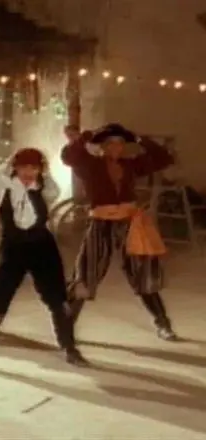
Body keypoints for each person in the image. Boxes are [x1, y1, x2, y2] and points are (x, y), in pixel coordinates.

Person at [0, 149, 88, 370]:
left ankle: (69, 348)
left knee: (58, 300)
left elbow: (52, 187)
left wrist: (43, 171)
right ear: (15, 167)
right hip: (13, 247)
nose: (28, 172)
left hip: (42, 246)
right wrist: (10, 162)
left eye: (34, 168)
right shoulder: (2, 186)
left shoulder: (46, 189)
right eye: (24, 167)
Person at [62, 123, 178, 341]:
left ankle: (163, 323)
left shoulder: (131, 165)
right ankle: (65, 327)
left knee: (142, 272)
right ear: (103, 146)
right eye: (111, 144)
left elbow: (163, 158)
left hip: (129, 222)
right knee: (87, 273)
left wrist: (141, 139)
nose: (116, 148)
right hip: (100, 222)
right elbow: (69, 157)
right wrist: (86, 136)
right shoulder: (89, 164)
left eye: (120, 144)